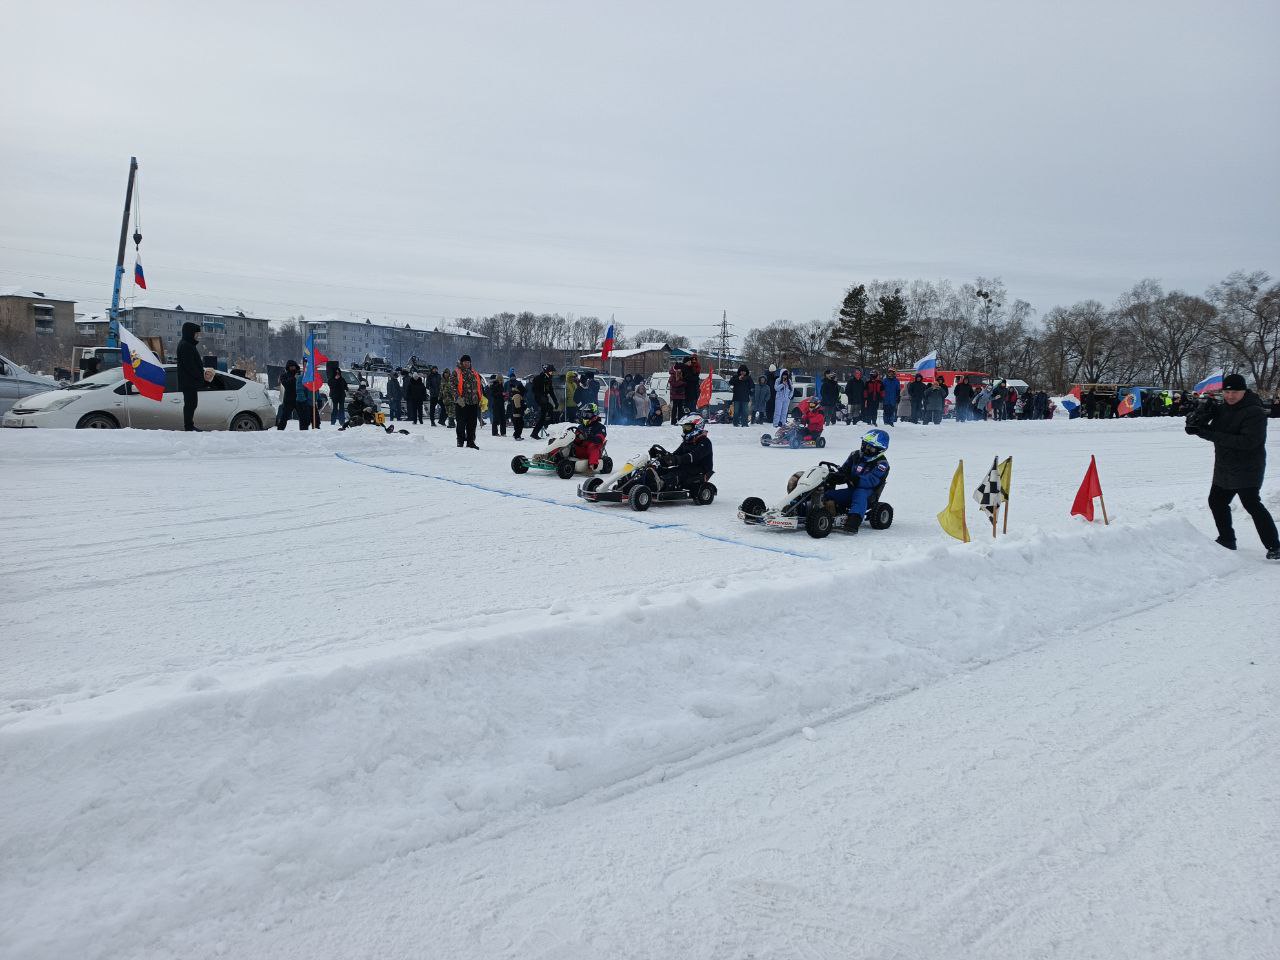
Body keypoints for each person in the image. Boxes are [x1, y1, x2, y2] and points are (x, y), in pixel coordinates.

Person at [1185, 374, 1279, 559]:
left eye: (1234, 392)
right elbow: (1214, 432)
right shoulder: (1222, 409)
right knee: (1216, 501)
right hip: (1224, 466)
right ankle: (1227, 539)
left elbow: (1248, 442)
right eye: (1226, 392)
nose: (1230, 396)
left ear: (1244, 391)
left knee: (1252, 504)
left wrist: (1208, 433)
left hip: (1248, 467)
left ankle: (1274, 546)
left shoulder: (1255, 412)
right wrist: (1197, 426)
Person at [822, 429, 891, 534]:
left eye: (871, 448)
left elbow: (872, 480)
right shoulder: (855, 455)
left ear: (879, 450)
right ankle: (825, 513)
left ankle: (853, 521)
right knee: (828, 494)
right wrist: (836, 477)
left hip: (868, 494)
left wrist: (855, 479)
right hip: (852, 490)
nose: (866, 449)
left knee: (860, 494)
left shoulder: (881, 464)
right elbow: (844, 470)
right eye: (865, 445)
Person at [648, 413, 714, 490]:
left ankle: (660, 484)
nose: (685, 430)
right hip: (685, 468)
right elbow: (675, 455)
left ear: (697, 427)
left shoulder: (705, 442)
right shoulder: (687, 442)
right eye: (684, 427)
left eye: (688, 427)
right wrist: (662, 457)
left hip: (700, 470)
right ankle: (645, 481)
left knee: (675, 475)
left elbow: (693, 456)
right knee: (661, 471)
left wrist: (677, 460)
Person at [176, 320, 213, 431]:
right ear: (190, 333)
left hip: (189, 381)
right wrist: (200, 376)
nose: (197, 336)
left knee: (192, 403)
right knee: (190, 404)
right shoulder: (186, 346)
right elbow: (190, 366)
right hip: (188, 382)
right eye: (196, 334)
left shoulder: (187, 344)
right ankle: (189, 426)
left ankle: (190, 425)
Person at [447, 354, 485, 449]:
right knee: (461, 423)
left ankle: (470, 442)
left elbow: (479, 387)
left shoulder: (474, 373)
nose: (467, 363)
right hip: (462, 403)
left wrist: (481, 398)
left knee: (472, 424)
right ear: (461, 362)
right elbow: (451, 386)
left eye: (468, 362)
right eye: (465, 362)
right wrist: (457, 398)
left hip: (473, 402)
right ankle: (460, 441)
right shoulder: (456, 372)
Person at [530, 364, 558, 439]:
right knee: (543, 416)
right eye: (551, 372)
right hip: (539, 399)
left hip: (544, 399)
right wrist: (541, 397)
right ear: (547, 371)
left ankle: (550, 427)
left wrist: (555, 402)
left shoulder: (549, 379)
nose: (552, 373)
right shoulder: (538, 378)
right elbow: (534, 390)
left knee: (550, 409)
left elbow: (551, 391)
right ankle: (535, 433)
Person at [277, 360, 300, 430]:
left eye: (294, 367)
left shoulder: (300, 375)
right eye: (291, 367)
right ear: (288, 367)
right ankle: (280, 430)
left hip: (299, 398)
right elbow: (286, 385)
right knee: (284, 417)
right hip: (288, 399)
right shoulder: (284, 375)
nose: (293, 368)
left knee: (303, 417)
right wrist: (293, 378)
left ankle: (304, 431)